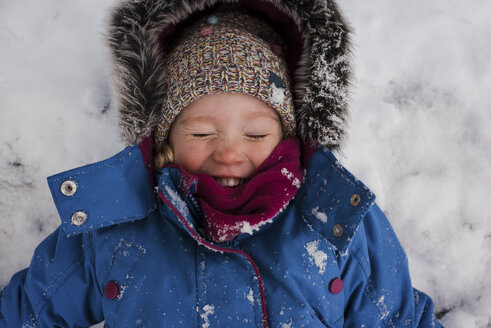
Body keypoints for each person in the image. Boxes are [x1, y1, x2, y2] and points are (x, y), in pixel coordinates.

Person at [0, 1, 443, 327]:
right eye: (201, 133)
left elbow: (397, 318)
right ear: (164, 139)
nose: (229, 153)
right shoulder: (114, 226)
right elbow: (30, 312)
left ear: (287, 136)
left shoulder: (334, 220)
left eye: (254, 135)